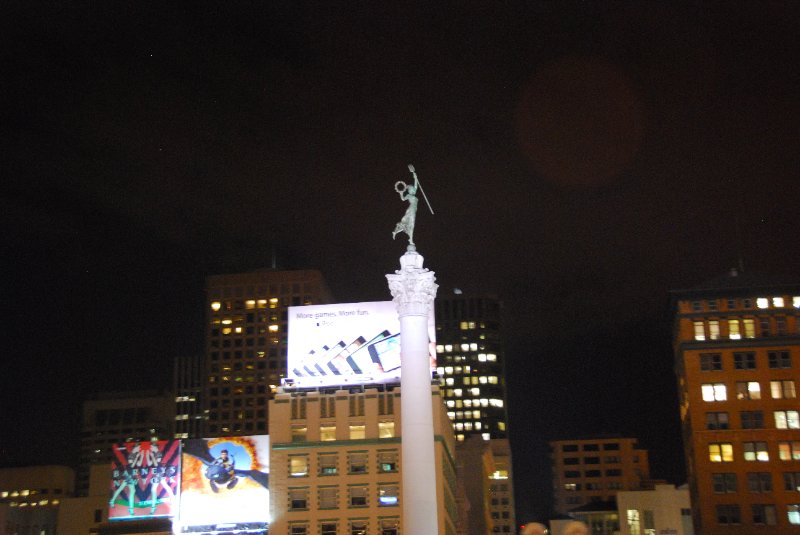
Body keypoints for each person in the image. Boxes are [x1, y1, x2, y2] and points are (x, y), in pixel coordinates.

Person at [392, 180, 418, 246]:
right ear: (409, 191)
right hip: (411, 210)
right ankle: (411, 239)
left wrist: (415, 177)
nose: (413, 191)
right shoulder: (409, 195)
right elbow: (403, 199)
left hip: (413, 211)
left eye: (413, 190)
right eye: (412, 190)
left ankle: (396, 232)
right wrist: (401, 193)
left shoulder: (414, 194)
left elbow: (416, 185)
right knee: (411, 225)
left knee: (409, 225)